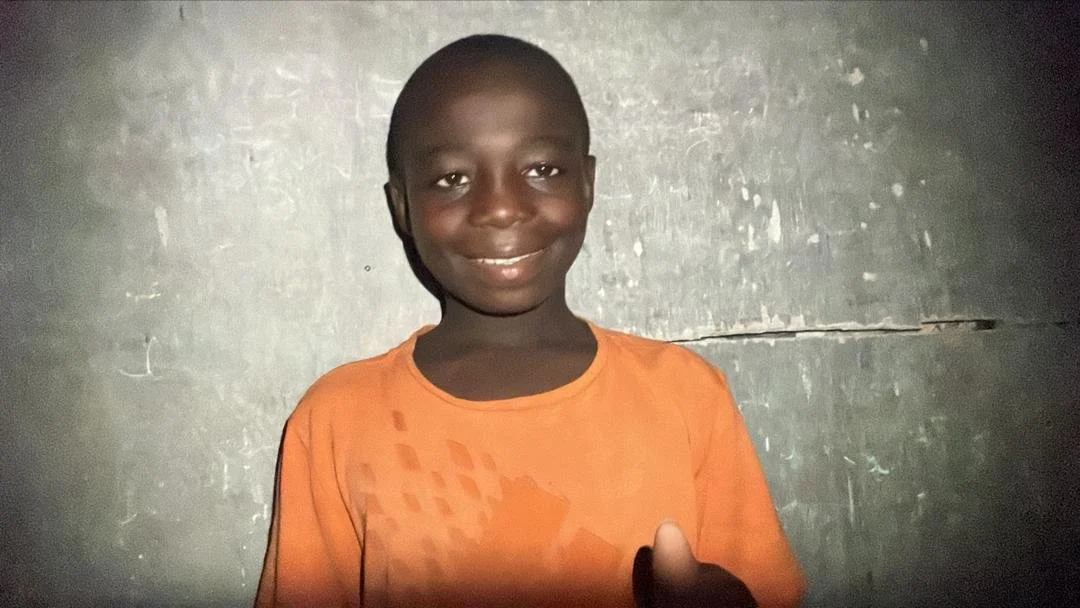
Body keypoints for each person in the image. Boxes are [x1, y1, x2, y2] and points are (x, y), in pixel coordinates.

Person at [256, 34, 805, 608]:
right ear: (402, 208)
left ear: (587, 183)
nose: (501, 207)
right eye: (452, 178)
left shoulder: (686, 395)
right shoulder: (338, 419)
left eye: (542, 168)